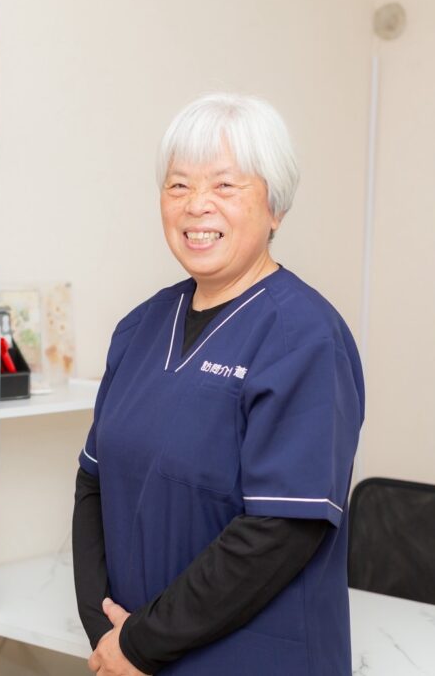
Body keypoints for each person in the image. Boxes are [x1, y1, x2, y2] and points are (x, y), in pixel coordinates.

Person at [72, 93, 365, 676]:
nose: (196, 205)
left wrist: (143, 642)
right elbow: (93, 484)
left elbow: (280, 531)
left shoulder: (305, 338)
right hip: (132, 654)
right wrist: (107, 633)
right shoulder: (140, 327)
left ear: (275, 208)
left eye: (225, 185)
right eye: (178, 185)